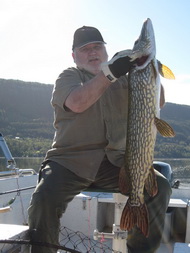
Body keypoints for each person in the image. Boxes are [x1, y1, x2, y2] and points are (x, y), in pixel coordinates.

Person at [28, 26, 171, 253]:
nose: (92, 52)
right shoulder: (68, 77)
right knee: (44, 199)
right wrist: (110, 73)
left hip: (116, 162)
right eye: (85, 49)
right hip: (69, 162)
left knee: (159, 187)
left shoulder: (125, 78)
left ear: (105, 51)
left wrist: (150, 69)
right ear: (74, 56)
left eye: (97, 47)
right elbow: (77, 102)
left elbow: (158, 102)